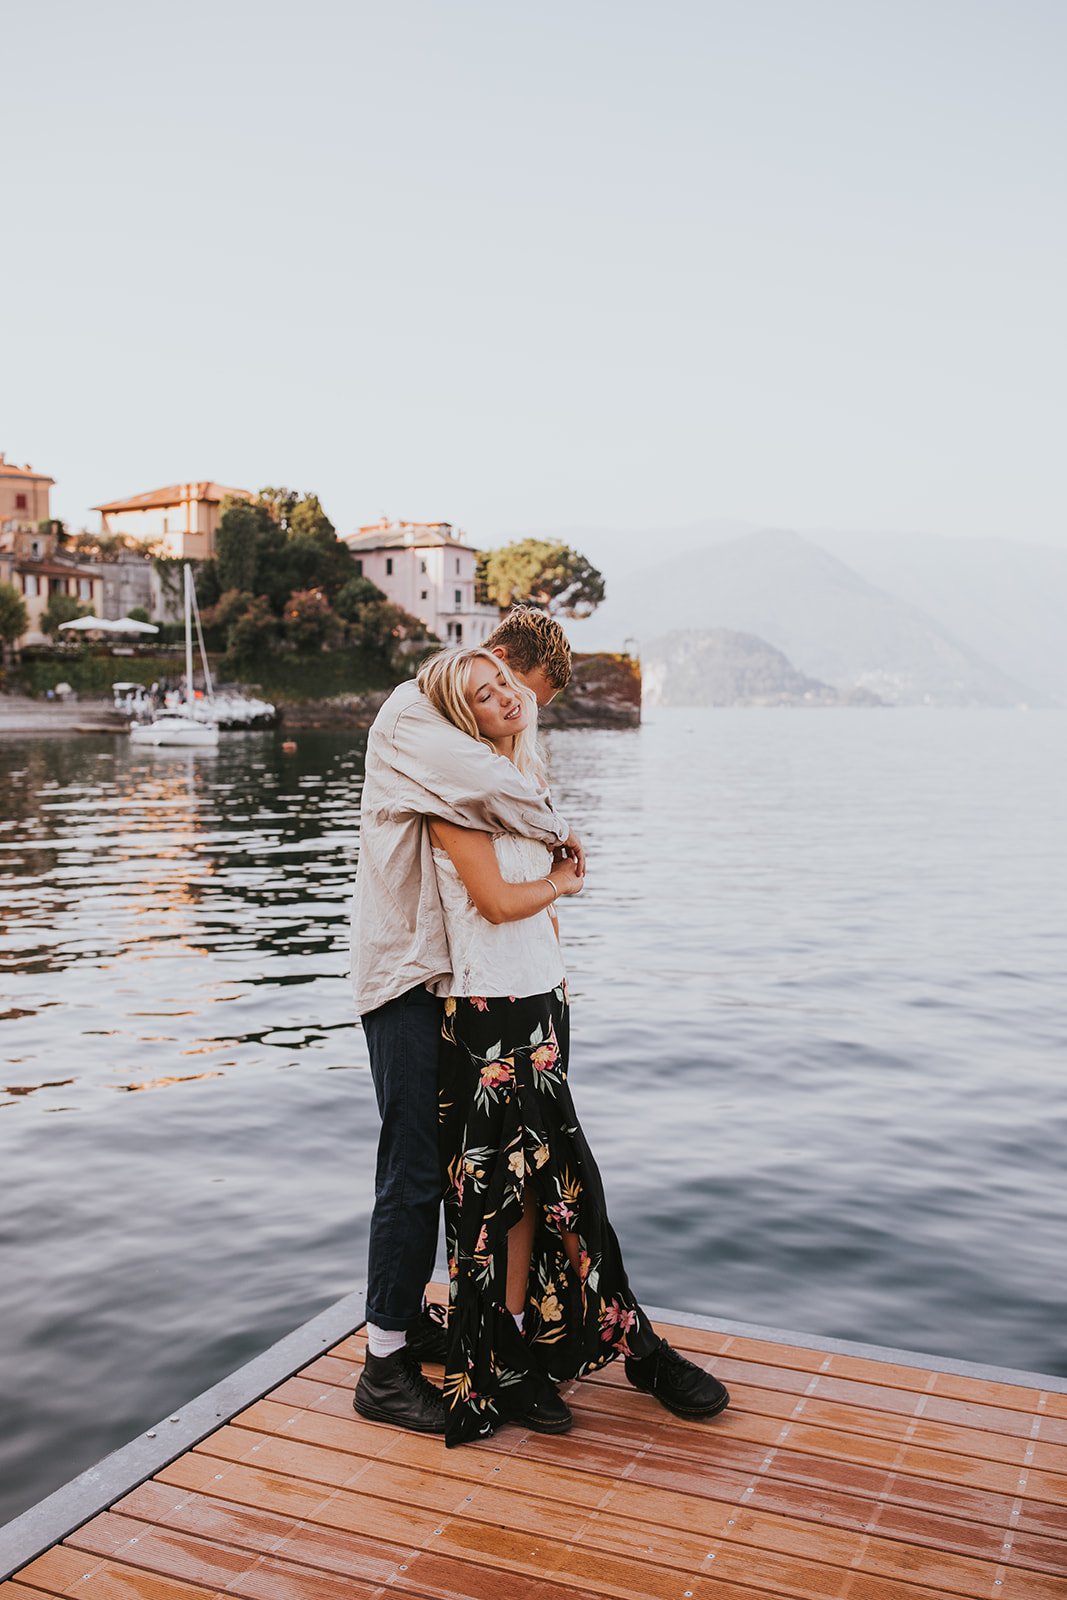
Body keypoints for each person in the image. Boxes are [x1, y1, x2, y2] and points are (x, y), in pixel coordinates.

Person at [420, 645, 731, 1446]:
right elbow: (492, 902)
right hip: (486, 1015)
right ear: (464, 720)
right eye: (485, 698)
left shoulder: (527, 788)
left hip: (542, 1006)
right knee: (500, 1197)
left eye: (505, 687)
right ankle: (562, 1350)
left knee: (556, 1186)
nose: (506, 700)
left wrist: (559, 970)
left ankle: (597, 1342)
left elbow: (537, 918)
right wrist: (562, 883)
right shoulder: (452, 796)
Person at [350, 608, 583, 1433]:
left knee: (452, 1169)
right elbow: (497, 791)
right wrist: (562, 841)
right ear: (495, 666)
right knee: (412, 1172)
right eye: (518, 693)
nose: (522, 709)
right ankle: (382, 1366)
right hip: (405, 979)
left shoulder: (456, 729)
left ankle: (418, 1323)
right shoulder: (415, 719)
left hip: (446, 983)